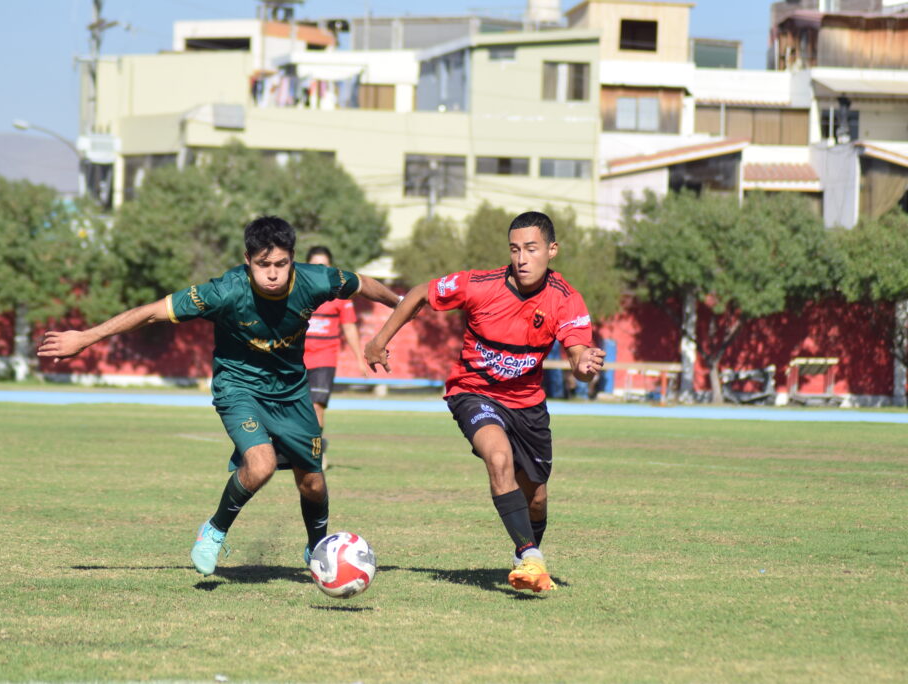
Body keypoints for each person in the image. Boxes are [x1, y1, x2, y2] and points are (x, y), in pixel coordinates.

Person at [38, 216, 401, 575]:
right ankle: (213, 530)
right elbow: (151, 313)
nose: (273, 273)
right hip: (238, 386)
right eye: (263, 265)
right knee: (261, 464)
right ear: (248, 260)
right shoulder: (225, 291)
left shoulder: (317, 279)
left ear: (293, 258)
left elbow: (363, 284)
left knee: (313, 481)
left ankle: (317, 547)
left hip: (291, 392)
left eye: (281, 264)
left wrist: (401, 305)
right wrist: (86, 337)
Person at [364, 211, 605, 594]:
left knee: (537, 499)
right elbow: (420, 293)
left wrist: (584, 365)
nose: (522, 258)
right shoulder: (480, 285)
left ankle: (527, 549)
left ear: (551, 250)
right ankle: (530, 555)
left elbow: (578, 357)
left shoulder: (565, 299)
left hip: (528, 405)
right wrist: (380, 339)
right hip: (473, 392)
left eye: (531, 249)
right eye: (515, 249)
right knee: (498, 457)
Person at [302, 245, 372, 468]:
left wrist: (360, 359)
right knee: (294, 407)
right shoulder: (295, 292)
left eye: (324, 264)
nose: (320, 268)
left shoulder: (341, 296)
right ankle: (307, 444)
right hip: (295, 358)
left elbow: (350, 328)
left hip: (324, 358)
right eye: (315, 264)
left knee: (317, 406)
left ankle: (316, 453)